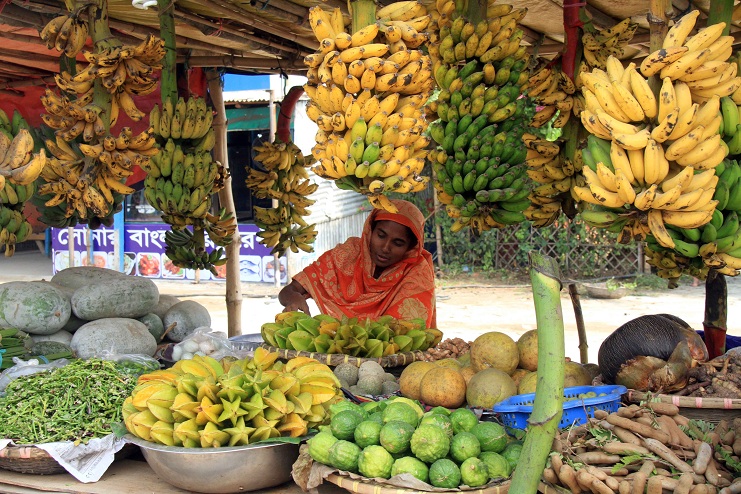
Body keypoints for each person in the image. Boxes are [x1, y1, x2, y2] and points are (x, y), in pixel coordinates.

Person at [278, 199, 437, 327]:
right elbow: (289, 291)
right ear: (370, 231)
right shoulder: (347, 255)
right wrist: (294, 299)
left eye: (398, 243)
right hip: (335, 350)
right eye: (381, 235)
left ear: (410, 248)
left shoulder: (417, 274)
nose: (385, 247)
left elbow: (411, 334)